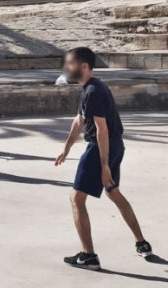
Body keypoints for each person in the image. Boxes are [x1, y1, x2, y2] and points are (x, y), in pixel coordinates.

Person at [55, 47, 152, 270]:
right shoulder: (90, 88)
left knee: (76, 199)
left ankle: (89, 256)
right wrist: (66, 149)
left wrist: (104, 165)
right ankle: (142, 243)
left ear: (84, 67)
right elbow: (78, 121)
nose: (66, 68)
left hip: (101, 147)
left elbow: (102, 130)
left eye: (70, 64)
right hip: (115, 145)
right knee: (113, 192)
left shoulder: (93, 92)